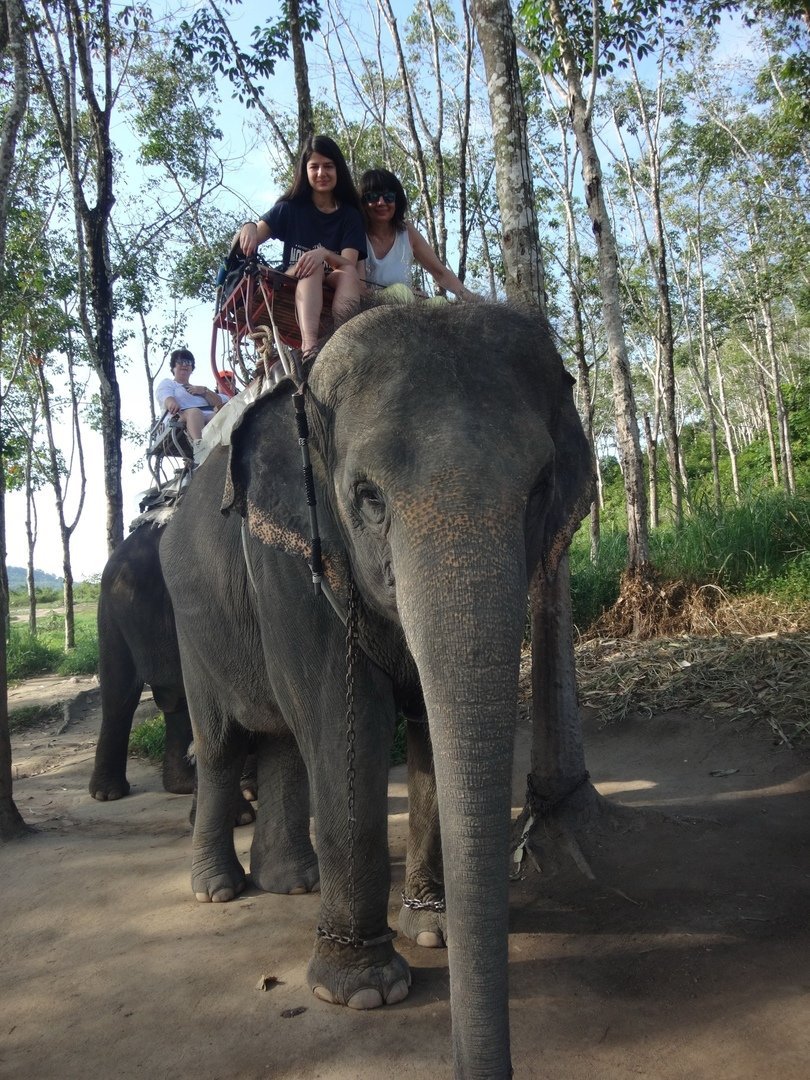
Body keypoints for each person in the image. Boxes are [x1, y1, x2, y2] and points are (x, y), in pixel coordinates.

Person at [238, 135, 366, 359]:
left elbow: (348, 263)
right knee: (311, 266)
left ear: (338, 170)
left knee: (347, 273)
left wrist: (323, 254)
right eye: (314, 167)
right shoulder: (289, 209)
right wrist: (248, 226)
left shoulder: (350, 216)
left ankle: (343, 342)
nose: (321, 173)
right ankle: (310, 348)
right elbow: (252, 236)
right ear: (305, 171)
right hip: (295, 277)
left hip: (334, 280)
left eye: (328, 166)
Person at [358, 168, 477, 302]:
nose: (381, 203)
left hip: (406, 306)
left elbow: (440, 272)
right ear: (363, 202)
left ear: (397, 201)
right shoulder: (357, 234)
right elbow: (360, 289)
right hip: (372, 308)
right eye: (373, 197)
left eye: (388, 197)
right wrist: (409, 293)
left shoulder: (406, 231)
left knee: (440, 302)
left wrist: (469, 296)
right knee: (401, 293)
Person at [156, 348, 228, 449]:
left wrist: (205, 391)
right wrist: (171, 403)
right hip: (179, 415)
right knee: (195, 412)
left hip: (205, 415)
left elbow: (221, 402)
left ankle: (225, 447)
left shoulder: (199, 389)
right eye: (180, 362)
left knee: (218, 416)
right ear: (173, 367)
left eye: (188, 362)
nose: (185, 365)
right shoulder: (169, 383)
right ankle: (200, 446)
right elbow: (165, 396)